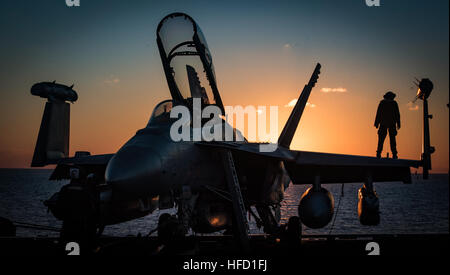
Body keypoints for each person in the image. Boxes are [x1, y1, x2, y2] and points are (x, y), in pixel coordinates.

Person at [374, 91, 401, 159]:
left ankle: (390, 153)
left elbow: (397, 114)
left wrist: (377, 123)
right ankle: (380, 153)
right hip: (386, 124)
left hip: (389, 124)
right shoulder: (384, 103)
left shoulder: (391, 103)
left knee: (388, 139)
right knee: (384, 139)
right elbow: (379, 113)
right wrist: (376, 123)